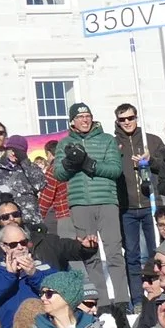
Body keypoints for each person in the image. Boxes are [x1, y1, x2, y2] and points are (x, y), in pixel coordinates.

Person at [52, 102, 127, 307]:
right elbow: (58, 174)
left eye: (88, 116)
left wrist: (89, 164)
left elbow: (115, 170)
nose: (85, 119)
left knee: (114, 252)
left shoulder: (107, 140)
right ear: (72, 122)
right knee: (90, 254)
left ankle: (121, 300)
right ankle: (101, 302)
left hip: (106, 200)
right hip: (80, 203)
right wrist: (70, 163)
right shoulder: (64, 143)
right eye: (80, 117)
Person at [112, 104, 161, 296]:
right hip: (127, 208)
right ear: (117, 121)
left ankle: (159, 293)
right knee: (132, 255)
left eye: (130, 118)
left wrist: (151, 161)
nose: (127, 122)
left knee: (156, 253)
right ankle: (138, 299)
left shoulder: (152, 141)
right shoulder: (113, 143)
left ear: (136, 117)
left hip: (151, 205)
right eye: (122, 119)